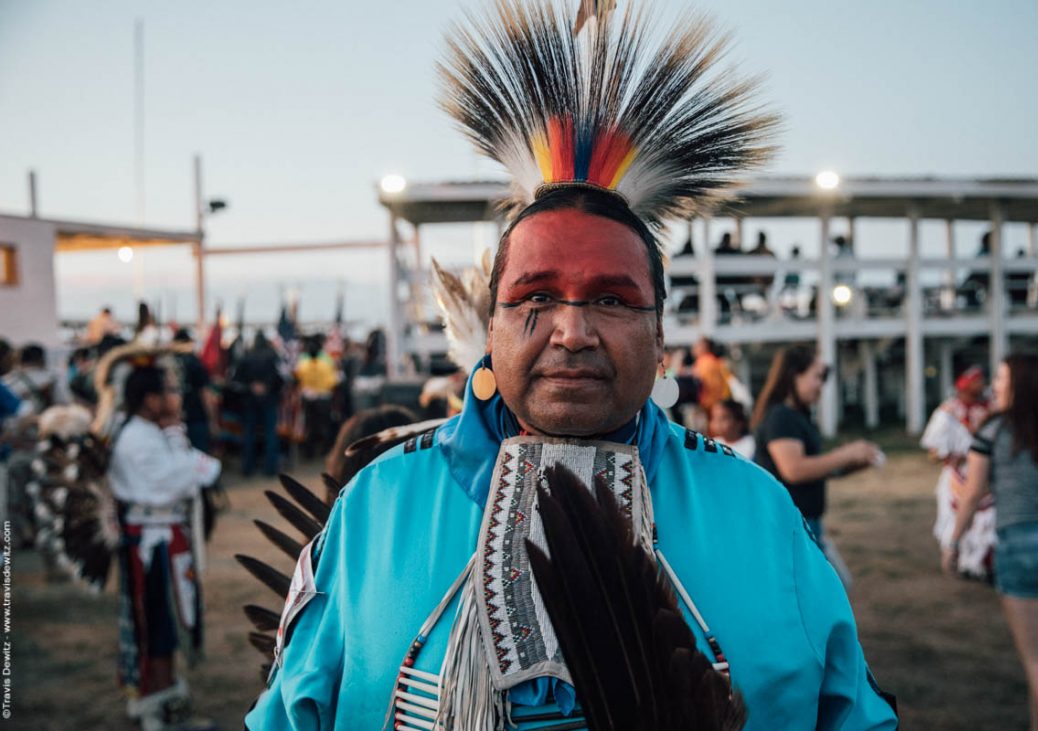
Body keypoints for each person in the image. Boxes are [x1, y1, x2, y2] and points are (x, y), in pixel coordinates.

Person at [247, 3, 895, 728]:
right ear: (487, 327)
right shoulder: (378, 507)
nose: (572, 330)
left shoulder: (759, 514)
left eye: (612, 300)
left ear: (658, 336)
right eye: (536, 295)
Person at [945, 353, 1038, 731]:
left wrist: (953, 543)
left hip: (1025, 547)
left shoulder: (994, 431)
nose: (994, 386)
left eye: (1001, 378)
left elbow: (973, 492)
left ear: (1020, 385)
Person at [109, 364, 220, 730]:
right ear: (150, 400)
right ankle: (157, 706)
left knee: (165, 622)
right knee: (158, 624)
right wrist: (180, 446)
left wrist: (180, 448)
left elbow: (197, 472)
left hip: (161, 538)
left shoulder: (147, 431)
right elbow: (180, 480)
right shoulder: (139, 438)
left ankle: (165, 698)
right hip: (151, 544)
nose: (176, 399)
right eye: (169, 392)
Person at [752, 345, 880, 542]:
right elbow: (794, 470)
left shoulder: (798, 416)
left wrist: (852, 464)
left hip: (804, 523)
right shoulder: (781, 417)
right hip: (789, 527)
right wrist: (845, 455)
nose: (821, 385)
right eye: (817, 376)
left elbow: (813, 471)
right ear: (795, 375)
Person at [921, 365, 995, 579]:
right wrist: (958, 457)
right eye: (977, 380)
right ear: (966, 384)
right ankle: (961, 561)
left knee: (986, 521)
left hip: (987, 477)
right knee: (956, 518)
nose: (982, 385)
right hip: (956, 477)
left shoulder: (992, 408)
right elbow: (933, 453)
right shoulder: (948, 411)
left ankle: (982, 563)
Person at [233, 332, 284, 476]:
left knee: (248, 434)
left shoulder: (245, 357)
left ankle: (247, 468)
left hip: (249, 402)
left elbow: (236, 381)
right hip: (269, 400)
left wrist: (251, 387)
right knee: (270, 434)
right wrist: (267, 387)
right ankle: (270, 469)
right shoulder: (273, 356)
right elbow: (281, 378)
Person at [294, 335, 339, 459]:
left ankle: (309, 452)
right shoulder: (327, 362)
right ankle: (325, 451)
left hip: (308, 399)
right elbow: (333, 381)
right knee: (324, 426)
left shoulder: (302, 363)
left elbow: (297, 378)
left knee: (309, 426)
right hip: (324, 398)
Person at [174, 329, 216, 454]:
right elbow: (206, 394)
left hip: (175, 420)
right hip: (196, 418)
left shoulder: (169, 363)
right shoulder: (196, 364)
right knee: (198, 456)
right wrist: (212, 420)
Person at [691, 336, 731, 418]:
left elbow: (702, 385)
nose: (694, 348)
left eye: (697, 345)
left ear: (704, 347)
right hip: (717, 404)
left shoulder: (704, 362)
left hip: (708, 405)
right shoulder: (714, 361)